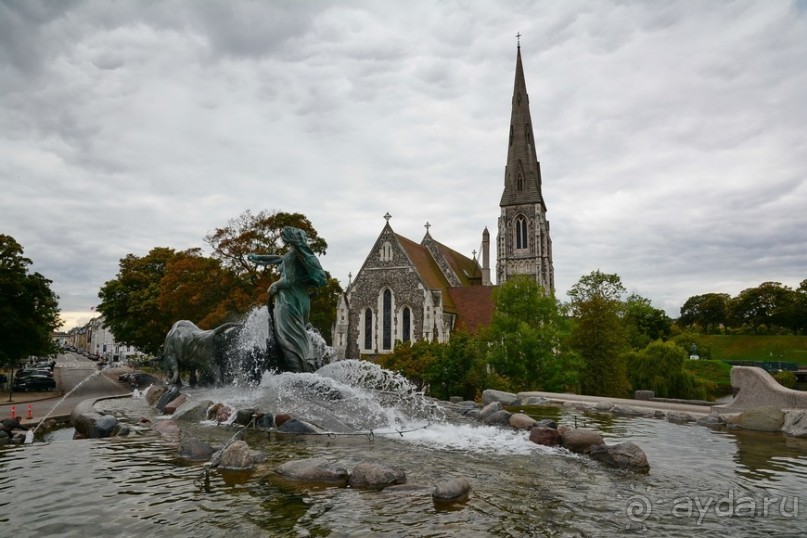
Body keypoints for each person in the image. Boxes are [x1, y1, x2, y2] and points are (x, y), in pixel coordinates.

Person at [247, 226, 327, 373]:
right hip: (301, 300)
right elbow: (279, 259)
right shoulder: (300, 254)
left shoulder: (292, 256)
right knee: (299, 333)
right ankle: (308, 365)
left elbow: (288, 280)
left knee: (289, 338)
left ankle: (298, 372)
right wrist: (258, 258)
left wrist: (274, 285)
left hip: (288, 301)